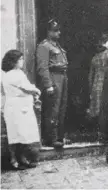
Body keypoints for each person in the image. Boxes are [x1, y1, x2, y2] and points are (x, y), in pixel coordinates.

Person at [2, 50, 41, 170]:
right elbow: (27, 88)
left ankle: (21, 158)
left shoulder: (15, 73)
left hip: (19, 107)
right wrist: (36, 91)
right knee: (18, 134)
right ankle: (15, 159)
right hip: (17, 108)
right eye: (20, 59)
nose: (22, 61)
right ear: (13, 62)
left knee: (20, 134)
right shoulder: (14, 75)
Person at [36, 19, 68, 148]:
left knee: (61, 108)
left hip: (62, 78)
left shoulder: (57, 46)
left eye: (59, 30)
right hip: (53, 78)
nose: (59, 32)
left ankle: (59, 137)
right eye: (55, 30)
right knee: (53, 109)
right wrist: (48, 84)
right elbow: (42, 67)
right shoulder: (44, 46)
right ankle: (51, 138)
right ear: (49, 32)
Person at [88, 35, 108, 127]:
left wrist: (91, 89)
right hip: (106, 84)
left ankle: (100, 133)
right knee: (107, 109)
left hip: (96, 86)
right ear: (104, 44)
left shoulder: (95, 57)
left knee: (98, 109)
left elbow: (91, 76)